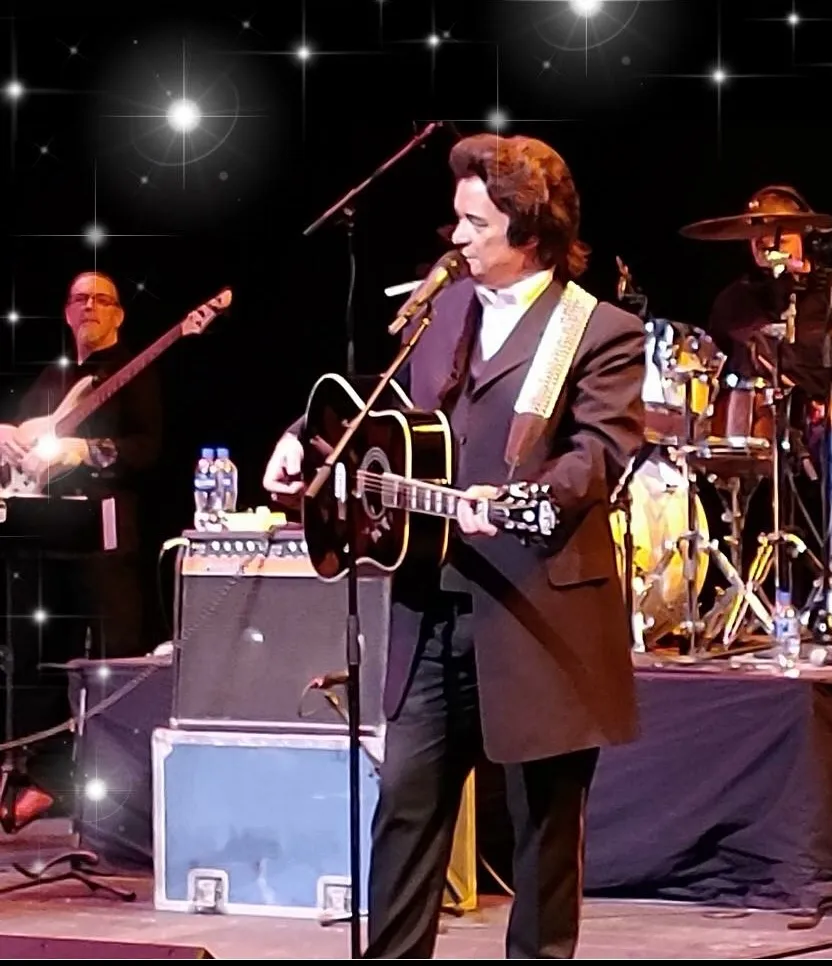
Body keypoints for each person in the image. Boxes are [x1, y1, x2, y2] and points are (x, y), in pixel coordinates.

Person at [264, 133, 646, 959]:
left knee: (543, 834)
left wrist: (524, 499)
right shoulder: (438, 312)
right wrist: (304, 438)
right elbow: (383, 408)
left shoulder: (596, 329)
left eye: (476, 223)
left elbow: (600, 452)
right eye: (457, 219)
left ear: (530, 233)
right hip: (430, 605)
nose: (457, 237)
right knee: (405, 809)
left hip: (539, 611)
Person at [0, 270, 162, 828]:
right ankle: (42, 779)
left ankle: (122, 795)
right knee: (40, 657)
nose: (89, 306)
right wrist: (6, 434)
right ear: (67, 313)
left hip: (106, 536)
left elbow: (148, 449)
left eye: (101, 299)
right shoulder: (55, 376)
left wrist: (85, 451)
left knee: (113, 660)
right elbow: (25, 433)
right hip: (48, 533)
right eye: (79, 299)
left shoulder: (136, 372)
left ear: (119, 314)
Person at [706, 185, 832, 576]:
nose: (765, 242)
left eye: (778, 233)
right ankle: (724, 581)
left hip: (819, 429)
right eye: (756, 234)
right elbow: (712, 372)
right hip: (754, 428)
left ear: (804, 235)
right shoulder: (732, 303)